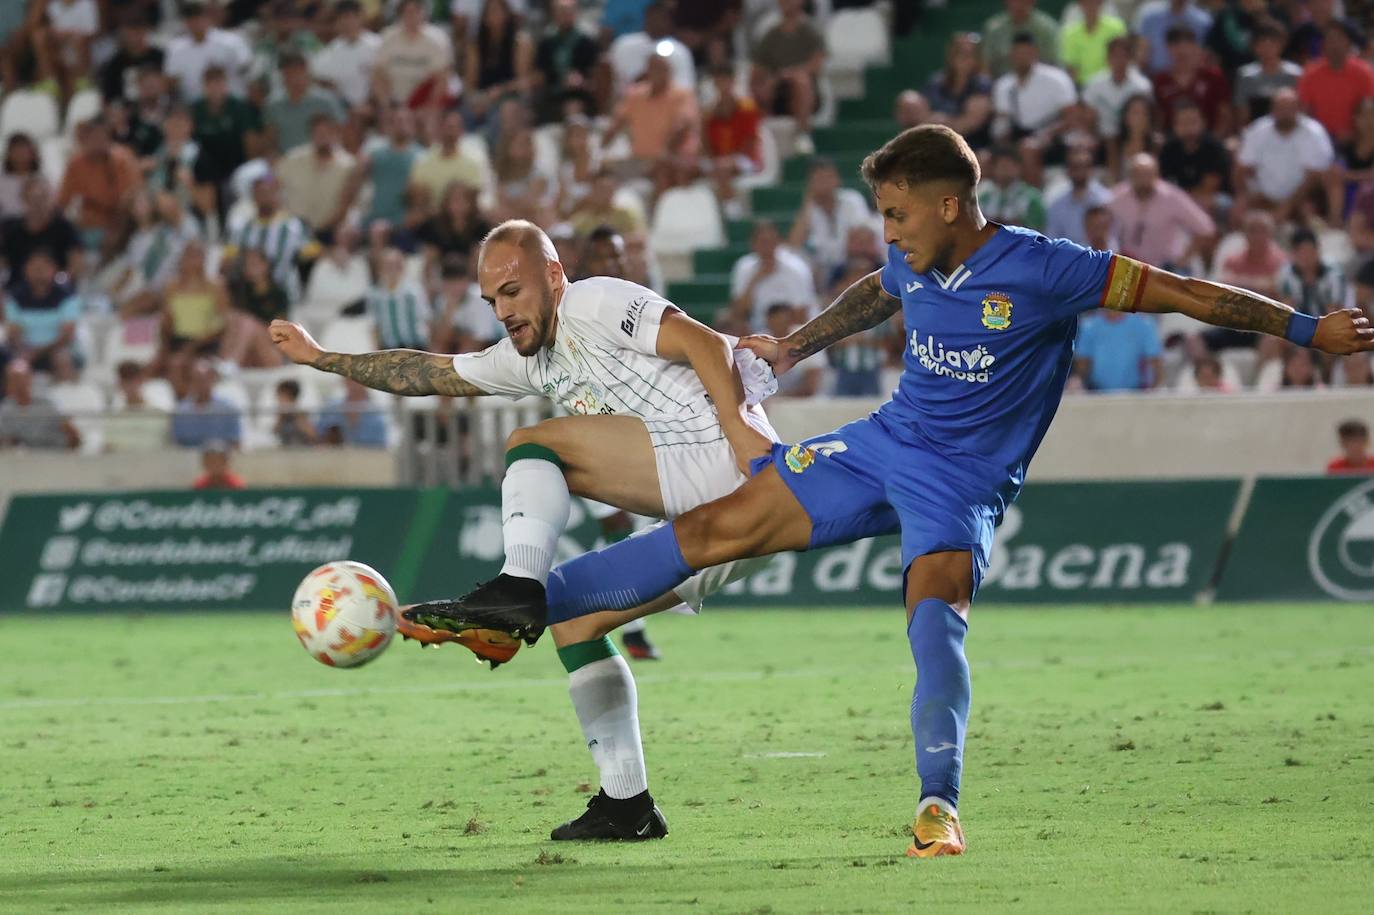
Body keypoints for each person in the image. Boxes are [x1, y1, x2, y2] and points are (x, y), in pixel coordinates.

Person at [412, 125, 1374, 857]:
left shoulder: (1047, 270)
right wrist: (796, 343)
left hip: (961, 483)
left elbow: (1184, 292)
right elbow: (877, 290)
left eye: (901, 214)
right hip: (884, 444)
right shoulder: (915, 259)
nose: (890, 232)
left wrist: (1302, 330)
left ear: (953, 207)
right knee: (722, 525)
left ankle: (937, 802)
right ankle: (524, 602)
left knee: (931, 613)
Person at [270, 218, 781, 841]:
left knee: (533, 443)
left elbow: (707, 344)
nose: (503, 312)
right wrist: (321, 357)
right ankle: (629, 805)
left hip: (728, 464)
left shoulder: (594, 300)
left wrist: (743, 439)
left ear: (554, 277)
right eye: (491, 302)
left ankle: (517, 586)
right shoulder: (529, 361)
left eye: (512, 292)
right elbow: (429, 373)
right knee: (576, 624)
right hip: (723, 522)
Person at [1235, 88, 1334, 222]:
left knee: (1308, 213)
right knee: (1238, 211)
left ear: (1299, 109)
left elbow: (1314, 176)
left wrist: (1288, 205)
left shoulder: (1314, 132)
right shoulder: (1258, 130)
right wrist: (1245, 195)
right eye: (1280, 108)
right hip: (1262, 198)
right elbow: (1242, 168)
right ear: (1272, 109)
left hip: (1302, 199)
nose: (1285, 113)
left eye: (1289, 108)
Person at [1108, 152, 1214, 271]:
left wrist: (1183, 259)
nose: (1143, 178)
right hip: (1130, 267)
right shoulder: (1118, 197)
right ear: (1130, 175)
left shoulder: (1172, 197)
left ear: (1156, 174)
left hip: (1166, 268)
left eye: (1147, 173)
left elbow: (1205, 228)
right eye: (1138, 173)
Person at [750, 0, 827, 155]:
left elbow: (816, 65)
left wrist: (790, 74)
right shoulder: (771, 35)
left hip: (807, 92)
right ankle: (757, 138)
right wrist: (773, 80)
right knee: (761, 86)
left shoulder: (811, 31)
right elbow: (757, 71)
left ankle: (802, 134)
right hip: (778, 91)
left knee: (801, 81)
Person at [786, 158, 877, 283]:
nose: (824, 183)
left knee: (860, 262)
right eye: (818, 179)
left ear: (837, 179)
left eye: (828, 177)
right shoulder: (810, 209)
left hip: (851, 261)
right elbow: (794, 244)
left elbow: (862, 236)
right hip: (824, 268)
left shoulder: (851, 199)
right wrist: (808, 202)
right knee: (794, 259)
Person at [727, 220, 817, 332]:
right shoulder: (744, 267)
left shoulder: (795, 269)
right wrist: (755, 280)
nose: (767, 248)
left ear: (778, 242)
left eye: (771, 242)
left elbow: (802, 315)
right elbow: (738, 313)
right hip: (759, 331)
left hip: (793, 332)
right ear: (753, 244)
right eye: (763, 242)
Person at [1296, 18, 1374, 147]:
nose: (1335, 44)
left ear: (1349, 43)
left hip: (1356, 140)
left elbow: (1369, 110)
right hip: (1318, 141)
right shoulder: (1310, 74)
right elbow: (1304, 112)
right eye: (1330, 40)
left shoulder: (1364, 73)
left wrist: (1354, 134)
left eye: (1339, 39)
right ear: (1323, 45)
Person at [2, 248, 81, 373]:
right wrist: (24, 350)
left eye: (43, 268)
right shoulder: (15, 296)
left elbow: (67, 334)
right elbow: (14, 331)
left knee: (63, 359)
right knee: (14, 364)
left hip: (56, 349)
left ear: (54, 269)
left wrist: (38, 352)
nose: (39, 273)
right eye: (35, 268)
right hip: (23, 349)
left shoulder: (67, 297)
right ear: (26, 270)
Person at [276, 114, 355, 235]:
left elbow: (348, 203)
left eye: (326, 132)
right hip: (291, 229)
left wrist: (324, 229)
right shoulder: (292, 159)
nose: (322, 137)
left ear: (335, 133)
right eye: (317, 132)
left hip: (330, 231)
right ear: (311, 134)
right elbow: (273, 184)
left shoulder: (348, 165)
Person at [164, 1, 252, 100]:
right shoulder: (176, 49)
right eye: (190, 19)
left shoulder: (231, 42)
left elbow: (247, 67)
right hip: (196, 108)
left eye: (198, 17)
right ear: (185, 22)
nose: (195, 22)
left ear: (207, 17)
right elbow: (171, 81)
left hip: (232, 104)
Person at [0, 178, 81, 285]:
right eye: (33, 199)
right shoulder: (10, 228)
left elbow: (76, 265)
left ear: (52, 199)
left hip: (56, 290)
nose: (38, 204)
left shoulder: (65, 228)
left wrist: (60, 281)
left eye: (43, 198)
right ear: (23, 200)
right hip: (17, 291)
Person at [264, 51, 344, 157]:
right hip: (287, 161)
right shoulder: (273, 104)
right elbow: (271, 140)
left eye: (296, 70)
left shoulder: (326, 100)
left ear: (306, 70)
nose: (292, 76)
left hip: (322, 159)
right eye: (287, 71)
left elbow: (341, 133)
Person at [924, 33, 994, 150]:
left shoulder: (983, 84)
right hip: (937, 142)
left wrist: (942, 127)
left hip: (974, 144)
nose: (964, 59)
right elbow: (922, 114)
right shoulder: (936, 82)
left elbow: (972, 121)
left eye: (969, 54)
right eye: (960, 53)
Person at [310, 0, 380, 109]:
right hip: (343, 110)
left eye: (350, 17)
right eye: (342, 18)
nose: (347, 22)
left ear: (361, 17)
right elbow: (319, 79)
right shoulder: (328, 53)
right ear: (336, 21)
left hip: (374, 107)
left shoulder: (378, 45)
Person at [1082, 36, 1152, 142]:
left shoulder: (1142, 86)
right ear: (1107, 58)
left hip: (1131, 140)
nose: (1119, 60)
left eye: (1123, 56)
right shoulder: (1094, 84)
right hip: (1101, 138)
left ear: (1130, 59)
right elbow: (1087, 117)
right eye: (1115, 56)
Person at [1074, 308, 1164, 390]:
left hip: (1136, 393)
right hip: (1097, 393)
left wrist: (1152, 392)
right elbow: (1082, 365)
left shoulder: (1144, 324)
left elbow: (1156, 364)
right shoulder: (1089, 326)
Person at [0, 359, 81, 450]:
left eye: (22, 378)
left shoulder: (47, 405)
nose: (19, 383)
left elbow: (73, 435)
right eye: (14, 379)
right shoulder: (5, 409)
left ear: (29, 379)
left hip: (54, 457)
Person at [1233, 18, 1301, 126]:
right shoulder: (1245, 76)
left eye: (1272, 43)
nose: (1267, 48)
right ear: (1254, 46)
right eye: (1262, 43)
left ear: (1281, 45)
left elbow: (1300, 112)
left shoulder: (1295, 74)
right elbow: (1242, 115)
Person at [365, 246, 431, 350]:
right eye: (388, 265)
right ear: (380, 268)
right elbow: (374, 324)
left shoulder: (414, 291)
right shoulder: (375, 294)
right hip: (389, 349)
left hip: (416, 347)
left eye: (397, 265)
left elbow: (427, 319)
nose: (393, 269)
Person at [1045, 145, 1112, 244]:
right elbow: (1052, 240)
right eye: (1075, 167)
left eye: (1085, 166)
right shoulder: (1056, 204)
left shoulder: (1106, 199)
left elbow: (1112, 239)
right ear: (1068, 170)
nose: (1080, 172)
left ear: (1092, 169)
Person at [1278, 228, 1348, 318]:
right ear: (1293, 253)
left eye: (1310, 251)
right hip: (1299, 325)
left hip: (1328, 324)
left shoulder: (1334, 273)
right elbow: (1287, 309)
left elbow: (1334, 311)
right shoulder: (1286, 274)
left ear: (1318, 249)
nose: (1306, 257)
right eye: (1301, 252)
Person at [172, 359, 242, 448]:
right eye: (198, 379)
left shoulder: (228, 410)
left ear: (213, 380)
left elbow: (236, 444)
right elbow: (176, 445)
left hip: (219, 459)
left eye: (206, 379)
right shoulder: (180, 412)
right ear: (192, 381)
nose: (202, 384)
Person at [982, 0, 1061, 78]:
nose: (1019, 4)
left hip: (1040, 82)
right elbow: (985, 65)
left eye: (1024, 1)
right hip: (1001, 83)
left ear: (1032, 2)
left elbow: (1054, 64)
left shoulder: (1047, 28)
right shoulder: (994, 28)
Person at [978, 146, 1046, 231]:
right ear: (993, 168)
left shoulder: (1031, 198)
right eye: (1002, 165)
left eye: (1010, 165)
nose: (1005, 170)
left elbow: (1037, 230)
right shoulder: (982, 195)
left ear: (1018, 168)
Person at [1058, 0, 1125, 83]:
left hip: (1111, 83)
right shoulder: (1070, 34)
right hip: (1082, 86)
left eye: (1094, 2)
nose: (1091, 6)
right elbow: (1072, 66)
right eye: (1086, 2)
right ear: (1080, 5)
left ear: (1101, 3)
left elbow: (1121, 59)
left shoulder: (1116, 28)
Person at [317, 377, 387, 446]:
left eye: (358, 380)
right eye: (350, 379)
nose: (354, 384)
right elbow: (319, 437)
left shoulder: (376, 412)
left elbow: (380, 446)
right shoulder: (330, 408)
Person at [0, 134, 42, 221]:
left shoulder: (42, 179)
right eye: (16, 151)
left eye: (24, 151)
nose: (20, 156)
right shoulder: (2, 178)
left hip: (35, 224)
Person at [272, 378, 316, 446]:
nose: (278, 399)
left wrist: (297, 416)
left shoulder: (301, 414)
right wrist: (281, 418)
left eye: (282, 396)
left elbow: (313, 437)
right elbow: (273, 434)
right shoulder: (279, 414)